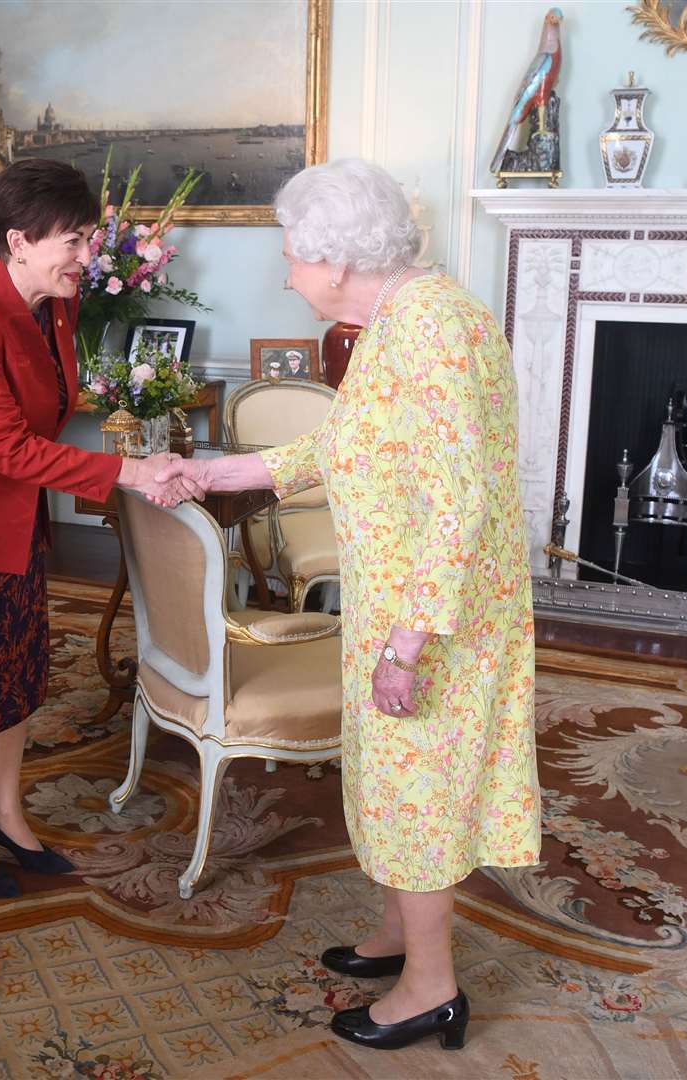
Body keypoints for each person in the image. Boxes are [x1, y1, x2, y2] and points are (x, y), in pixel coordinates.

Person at [158, 158, 540, 1052]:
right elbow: (338, 445)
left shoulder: (432, 331)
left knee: (421, 793)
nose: (287, 274)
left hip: (433, 616)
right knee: (392, 780)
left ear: (334, 261)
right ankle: (398, 936)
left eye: (292, 256)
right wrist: (214, 473)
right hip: (402, 602)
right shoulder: (399, 321)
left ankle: (431, 987)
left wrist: (407, 644)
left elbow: (462, 503)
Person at [0, 158, 193, 899]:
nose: (85, 257)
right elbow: (6, 446)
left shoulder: (52, 303)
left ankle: (6, 812)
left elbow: (44, 411)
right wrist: (130, 473)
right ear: (17, 241)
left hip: (12, 521)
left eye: (86, 241)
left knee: (11, 673)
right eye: (74, 242)